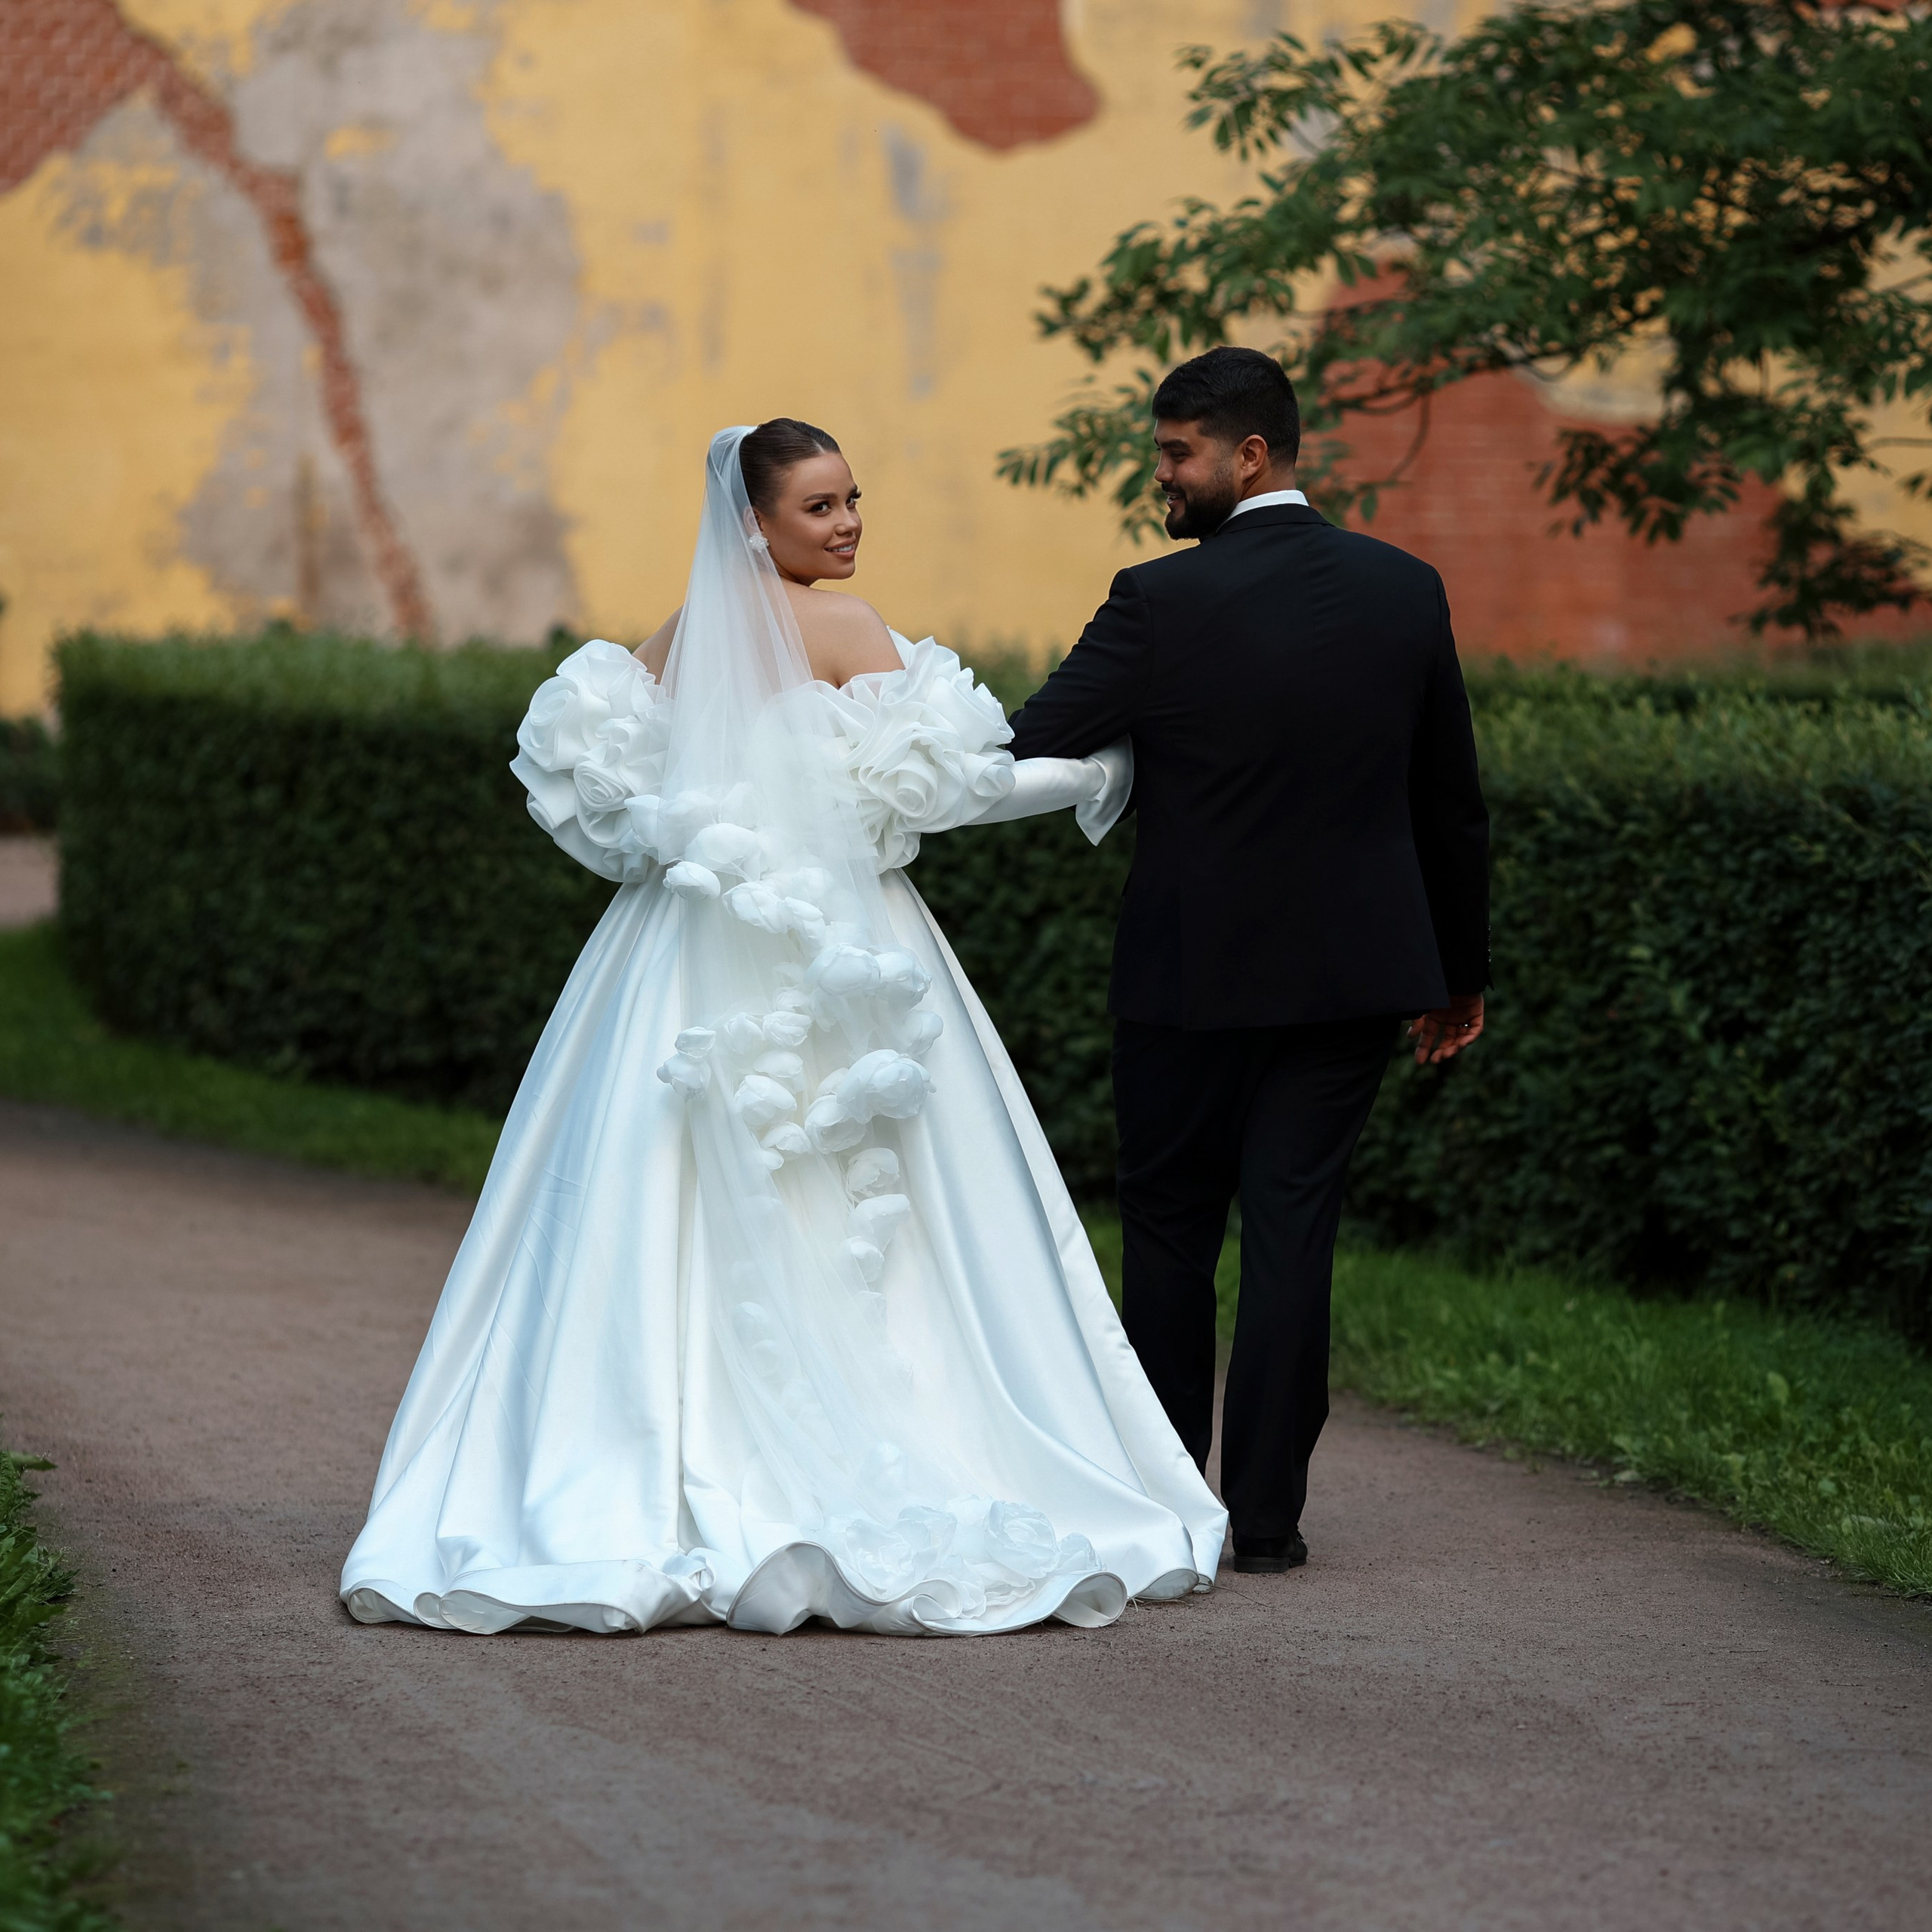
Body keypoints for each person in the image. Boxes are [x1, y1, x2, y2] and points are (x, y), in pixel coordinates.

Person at [339, 420, 1226, 1638]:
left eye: (855, 498)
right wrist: (1094, 775)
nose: (850, 523)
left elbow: (590, 794)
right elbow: (952, 788)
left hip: (680, 954)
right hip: (848, 953)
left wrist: (693, 837)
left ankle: (649, 1458)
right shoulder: (850, 634)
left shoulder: (673, 643)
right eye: (820, 508)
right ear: (754, 523)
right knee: (889, 1191)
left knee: (656, 1193)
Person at [1008, 346, 1490, 1576]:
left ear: (1250, 455)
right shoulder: (1406, 587)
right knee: (1294, 1234)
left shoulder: (1159, 602)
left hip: (1189, 983)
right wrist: (1459, 971)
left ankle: (1172, 1511)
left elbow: (1030, 741)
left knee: (1170, 1236)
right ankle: (1267, 1520)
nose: (1160, 477)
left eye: (1176, 454)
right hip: (1358, 976)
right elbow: (1450, 801)